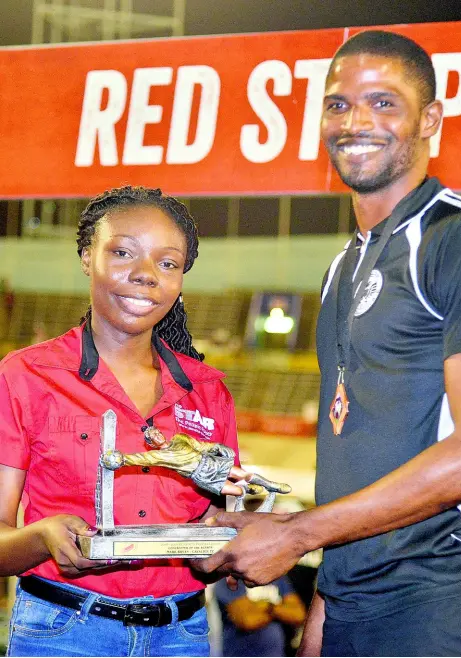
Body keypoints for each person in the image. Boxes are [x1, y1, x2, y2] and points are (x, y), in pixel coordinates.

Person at [193, 31, 461, 657]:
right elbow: (350, 463)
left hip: (443, 608)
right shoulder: (339, 270)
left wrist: (295, 535)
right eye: (339, 104)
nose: (356, 122)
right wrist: (323, 611)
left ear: (430, 119)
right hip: (354, 612)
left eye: (384, 103)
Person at [0, 185, 273, 657]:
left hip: (181, 635)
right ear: (88, 256)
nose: (146, 276)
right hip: (64, 632)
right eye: (124, 253)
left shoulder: (207, 392)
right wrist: (43, 538)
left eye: (167, 263)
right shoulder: (27, 376)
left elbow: (217, 523)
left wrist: (233, 539)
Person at [215, 574, 306, 657]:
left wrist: (267, 607)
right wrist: (280, 609)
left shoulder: (276, 576)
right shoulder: (229, 580)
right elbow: (247, 620)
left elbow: (299, 614)